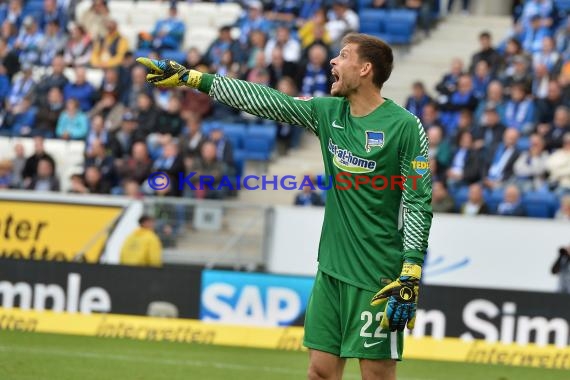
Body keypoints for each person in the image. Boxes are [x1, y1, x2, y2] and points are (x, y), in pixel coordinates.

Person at [137, 31, 433, 379]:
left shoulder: (405, 127)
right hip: (331, 269)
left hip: (378, 275)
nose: (333, 62)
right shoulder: (328, 112)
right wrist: (195, 79)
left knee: (375, 375)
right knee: (319, 372)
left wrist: (411, 269)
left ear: (366, 68)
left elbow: (417, 200)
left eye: (343, 55)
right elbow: (269, 101)